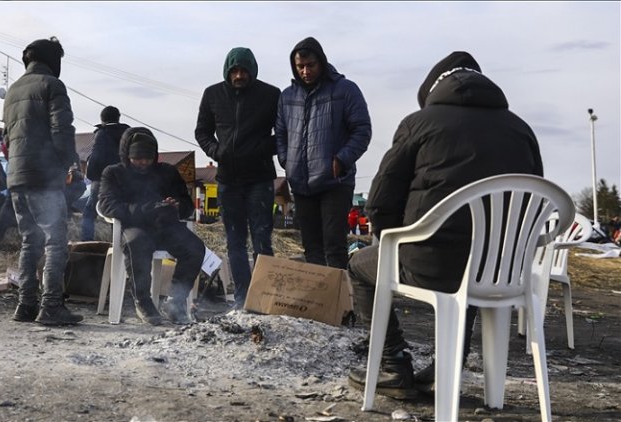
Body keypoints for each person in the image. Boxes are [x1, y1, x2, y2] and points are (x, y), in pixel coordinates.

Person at [345, 51, 544, 399]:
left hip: (430, 263)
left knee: (359, 267)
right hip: (501, 271)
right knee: (473, 266)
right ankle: (446, 368)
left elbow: (379, 202)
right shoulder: (522, 130)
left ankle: (393, 364)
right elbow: (535, 197)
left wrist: (395, 238)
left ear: (432, 88)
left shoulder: (419, 124)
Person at [2, 36, 83, 326]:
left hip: (17, 176)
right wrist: (69, 164)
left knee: (29, 242)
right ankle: (51, 307)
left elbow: (6, 139)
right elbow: (62, 130)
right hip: (43, 177)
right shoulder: (52, 85)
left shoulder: (13, 91)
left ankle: (25, 305)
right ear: (54, 61)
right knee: (55, 242)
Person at [275, 36, 372, 270]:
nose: (306, 71)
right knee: (312, 248)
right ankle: (318, 302)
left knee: (334, 245)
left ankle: (340, 302)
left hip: (334, 182)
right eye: (300, 67)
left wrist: (342, 158)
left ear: (321, 62)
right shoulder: (288, 96)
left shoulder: (345, 90)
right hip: (300, 183)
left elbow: (362, 130)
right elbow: (280, 133)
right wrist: (287, 161)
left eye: (311, 66)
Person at [195, 47, 281, 308]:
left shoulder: (271, 95)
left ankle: (263, 299)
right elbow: (202, 131)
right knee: (235, 241)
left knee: (262, 240)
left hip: (260, 178)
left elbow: (284, 133)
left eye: (244, 70)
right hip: (228, 180)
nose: (239, 75)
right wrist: (216, 151)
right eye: (235, 71)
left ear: (252, 70)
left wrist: (262, 149)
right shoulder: (212, 94)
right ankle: (243, 298)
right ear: (227, 71)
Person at [98, 127, 205, 325]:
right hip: (133, 228)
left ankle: (175, 301)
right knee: (138, 243)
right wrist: (147, 209)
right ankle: (143, 301)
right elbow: (107, 205)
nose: (143, 163)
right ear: (127, 155)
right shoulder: (113, 173)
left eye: (147, 158)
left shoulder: (167, 172)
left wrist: (176, 206)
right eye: (137, 159)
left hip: (165, 227)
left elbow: (186, 202)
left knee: (195, 248)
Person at [81, 105, 130, 241]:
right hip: (124, 180)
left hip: (102, 179)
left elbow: (96, 158)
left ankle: (86, 241)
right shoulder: (129, 133)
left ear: (102, 119)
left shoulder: (102, 133)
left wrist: (91, 175)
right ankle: (119, 242)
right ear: (118, 118)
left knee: (90, 211)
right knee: (118, 212)